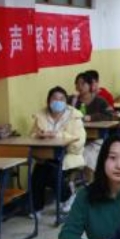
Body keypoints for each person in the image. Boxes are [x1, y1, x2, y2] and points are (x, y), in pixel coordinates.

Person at [58, 134, 120, 239]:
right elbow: (67, 236)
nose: (119, 165)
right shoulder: (86, 195)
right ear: (102, 160)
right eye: (112, 158)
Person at [30, 86, 86, 216]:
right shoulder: (41, 116)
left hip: (68, 154)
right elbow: (32, 135)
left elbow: (79, 141)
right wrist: (39, 135)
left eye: (61, 99)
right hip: (46, 156)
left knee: (53, 173)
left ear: (66, 102)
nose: (58, 101)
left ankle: (68, 196)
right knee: (38, 173)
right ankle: (37, 208)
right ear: (48, 101)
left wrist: (58, 135)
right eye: (54, 98)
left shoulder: (74, 116)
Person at [73, 71, 115, 174]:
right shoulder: (73, 100)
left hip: (95, 139)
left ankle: (88, 178)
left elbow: (110, 115)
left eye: (83, 83)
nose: (79, 86)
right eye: (77, 83)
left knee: (88, 154)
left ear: (90, 85)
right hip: (76, 138)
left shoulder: (100, 101)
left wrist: (92, 117)